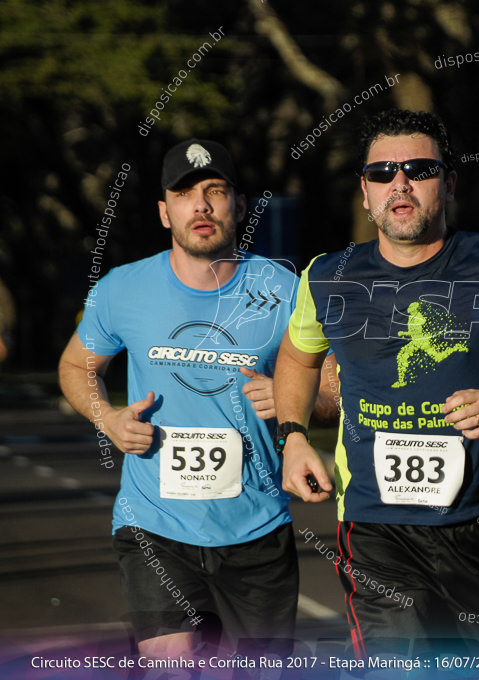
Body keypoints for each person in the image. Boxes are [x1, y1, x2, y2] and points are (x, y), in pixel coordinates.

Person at [273, 109, 479, 654]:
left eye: (419, 170)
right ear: (365, 192)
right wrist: (292, 438)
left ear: (448, 184)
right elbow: (296, 359)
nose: (399, 184)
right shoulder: (328, 275)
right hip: (373, 524)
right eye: (382, 173)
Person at [57, 139, 335, 660]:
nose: (201, 205)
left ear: (241, 205)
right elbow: (76, 366)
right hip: (154, 525)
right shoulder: (123, 288)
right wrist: (108, 419)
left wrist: (293, 401)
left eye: (215, 191)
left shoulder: (285, 289)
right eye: (185, 194)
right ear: (165, 212)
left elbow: (332, 392)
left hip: (257, 527)